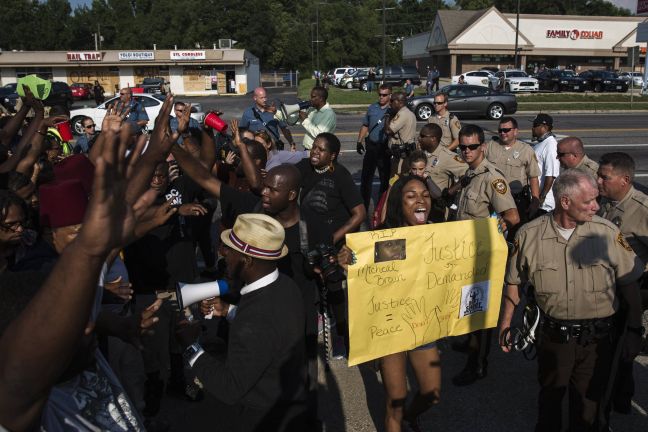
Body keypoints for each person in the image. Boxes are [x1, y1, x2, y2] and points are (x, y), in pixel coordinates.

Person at [499, 169, 644, 431]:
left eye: (596, 199)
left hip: (596, 339)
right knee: (551, 397)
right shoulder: (528, 235)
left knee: (589, 404)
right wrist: (506, 323)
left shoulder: (608, 233)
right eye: (588, 201)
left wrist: (635, 330)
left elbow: (629, 285)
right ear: (565, 202)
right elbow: (513, 283)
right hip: (553, 337)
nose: (596, 206)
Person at [181, 213, 308, 431]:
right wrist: (229, 310)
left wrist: (192, 347)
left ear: (246, 260)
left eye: (229, 249)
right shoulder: (287, 286)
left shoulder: (256, 317)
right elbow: (271, 330)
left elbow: (231, 388)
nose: (222, 253)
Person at [340, 175, 441, 432]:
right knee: (394, 402)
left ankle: (411, 415)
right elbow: (364, 275)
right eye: (411, 196)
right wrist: (349, 261)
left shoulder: (441, 235)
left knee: (432, 393)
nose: (420, 201)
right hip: (391, 329)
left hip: (423, 325)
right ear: (399, 203)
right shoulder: (385, 240)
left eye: (425, 195)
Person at [452, 124, 520, 387]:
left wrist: (494, 232)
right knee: (469, 306)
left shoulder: (493, 178)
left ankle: (478, 365)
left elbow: (512, 216)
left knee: (479, 312)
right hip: (464, 253)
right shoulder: (470, 174)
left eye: (472, 147)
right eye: (463, 147)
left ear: (482, 146)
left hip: (481, 256)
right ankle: (470, 345)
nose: (467, 151)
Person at [596, 152, 648, 414]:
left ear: (625, 179)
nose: (598, 180)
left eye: (605, 177)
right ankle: (620, 395)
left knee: (620, 351)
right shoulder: (606, 202)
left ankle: (618, 397)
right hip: (606, 291)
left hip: (630, 292)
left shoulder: (642, 209)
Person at [485, 116, 541, 221]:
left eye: (506, 130)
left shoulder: (526, 150)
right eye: (500, 130)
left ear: (515, 131)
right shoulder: (490, 146)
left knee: (515, 232)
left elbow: (533, 177)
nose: (502, 133)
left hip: (516, 201)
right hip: (493, 200)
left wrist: (535, 201)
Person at [416, 123, 467, 222]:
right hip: (419, 205)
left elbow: (467, 173)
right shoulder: (421, 153)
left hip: (436, 209)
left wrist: (450, 191)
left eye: (422, 136)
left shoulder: (447, 156)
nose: (419, 138)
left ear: (433, 138)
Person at [356, 84, 392, 210]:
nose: (381, 97)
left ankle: (381, 206)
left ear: (390, 95)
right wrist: (359, 141)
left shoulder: (393, 110)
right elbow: (365, 125)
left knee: (384, 179)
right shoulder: (372, 107)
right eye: (380, 95)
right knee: (366, 178)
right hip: (371, 146)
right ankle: (363, 206)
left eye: (384, 95)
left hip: (384, 148)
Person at [531, 113, 560, 216]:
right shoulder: (542, 143)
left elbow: (551, 175)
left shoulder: (551, 145)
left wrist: (540, 199)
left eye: (535, 125)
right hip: (536, 200)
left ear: (544, 127)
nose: (532, 128)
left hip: (544, 206)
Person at [385, 92, 417, 173]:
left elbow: (388, 131)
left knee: (396, 180)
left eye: (392, 101)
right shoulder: (409, 113)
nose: (390, 103)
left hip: (401, 155)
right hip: (407, 151)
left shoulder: (402, 114)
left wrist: (387, 116)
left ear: (400, 102)